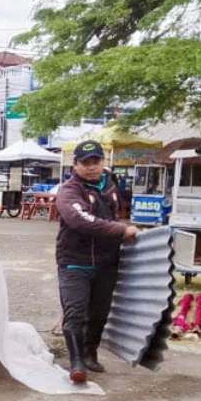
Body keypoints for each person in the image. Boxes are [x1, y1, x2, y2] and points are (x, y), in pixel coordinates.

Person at [54, 140, 139, 384]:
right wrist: (121, 230)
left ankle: (91, 353)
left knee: (99, 313)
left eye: (97, 162)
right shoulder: (69, 190)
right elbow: (81, 220)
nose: (92, 167)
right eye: (86, 163)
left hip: (105, 261)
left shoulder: (110, 184)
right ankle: (77, 361)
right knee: (75, 313)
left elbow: (114, 213)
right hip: (74, 261)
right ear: (76, 164)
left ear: (103, 161)